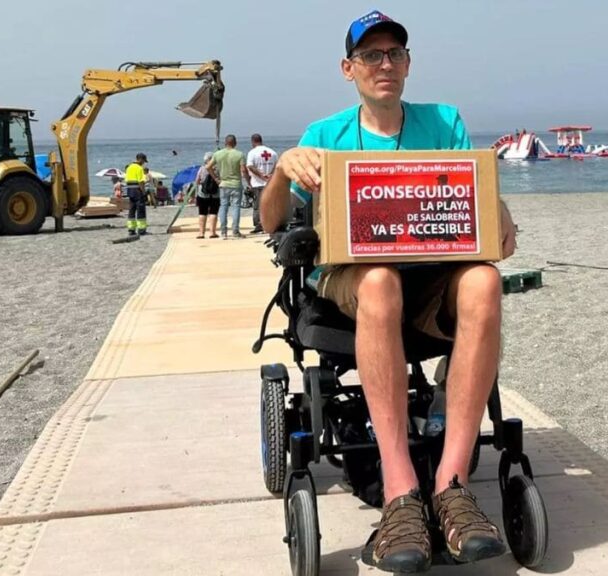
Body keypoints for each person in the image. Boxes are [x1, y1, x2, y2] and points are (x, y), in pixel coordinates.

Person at [259, 10, 517, 574]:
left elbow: (492, 231)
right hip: (356, 281)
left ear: (408, 64)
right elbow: (271, 221)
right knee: (379, 279)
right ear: (348, 68)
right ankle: (402, 490)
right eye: (371, 55)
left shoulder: (444, 122)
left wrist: (492, 198)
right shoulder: (323, 136)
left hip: (430, 277)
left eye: (394, 54)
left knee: (484, 278)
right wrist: (283, 170)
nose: (384, 64)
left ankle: (451, 484)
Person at [205, 134, 248, 238]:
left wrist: (216, 178)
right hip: (236, 184)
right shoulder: (239, 154)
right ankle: (235, 231)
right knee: (236, 207)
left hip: (223, 184)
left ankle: (223, 232)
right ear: (235, 143)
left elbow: (208, 167)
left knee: (223, 207)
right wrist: (247, 180)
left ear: (225, 143)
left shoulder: (217, 154)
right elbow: (243, 170)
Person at [245, 133, 278, 234]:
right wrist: (270, 174)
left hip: (257, 183)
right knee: (270, 204)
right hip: (270, 183)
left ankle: (259, 225)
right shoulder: (272, 152)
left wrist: (261, 176)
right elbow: (277, 165)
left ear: (253, 142)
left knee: (258, 205)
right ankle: (271, 224)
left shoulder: (252, 153)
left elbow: (250, 166)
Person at [195, 152, 221, 238]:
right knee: (213, 212)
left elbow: (197, 181)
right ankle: (212, 232)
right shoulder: (218, 169)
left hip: (203, 194)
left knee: (202, 213)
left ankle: (201, 233)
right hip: (215, 194)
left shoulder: (202, 169)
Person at [124, 153, 149, 236]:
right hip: (138, 191)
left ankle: (131, 229)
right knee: (140, 210)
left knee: (131, 210)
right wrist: (144, 193)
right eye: (144, 161)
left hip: (130, 190)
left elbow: (126, 180)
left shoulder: (129, 167)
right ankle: (141, 230)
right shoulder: (139, 168)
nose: (144, 163)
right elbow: (141, 182)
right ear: (141, 159)